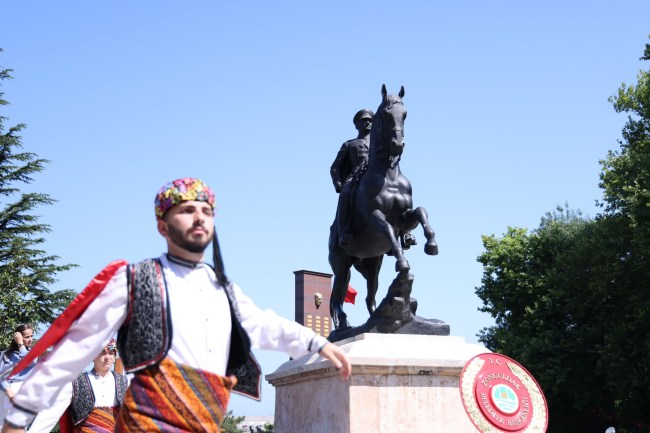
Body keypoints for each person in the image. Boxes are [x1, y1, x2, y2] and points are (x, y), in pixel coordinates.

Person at [2, 177, 351, 433]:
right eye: (187, 210)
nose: (199, 217)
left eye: (206, 211)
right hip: (150, 422)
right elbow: (75, 349)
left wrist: (314, 342)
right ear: (163, 225)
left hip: (205, 420)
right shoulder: (134, 280)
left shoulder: (221, 286)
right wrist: (19, 416)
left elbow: (260, 324)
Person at [330, 109, 374, 246]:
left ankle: (403, 234)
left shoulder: (380, 143)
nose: (368, 122)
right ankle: (344, 231)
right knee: (345, 194)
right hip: (355, 179)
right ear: (357, 125)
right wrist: (338, 184)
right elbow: (335, 167)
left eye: (370, 120)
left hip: (378, 177)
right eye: (364, 120)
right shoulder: (349, 144)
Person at [0, 325, 35, 423]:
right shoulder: (5, 354)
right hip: (5, 391)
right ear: (17, 337)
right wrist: (9, 392)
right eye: (27, 337)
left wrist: (21, 344)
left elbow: (28, 360)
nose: (31, 339)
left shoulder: (33, 354)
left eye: (31, 336)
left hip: (22, 392)